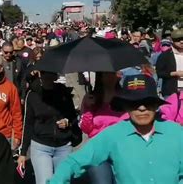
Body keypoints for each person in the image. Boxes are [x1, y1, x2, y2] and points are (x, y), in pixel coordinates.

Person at [49, 74, 183, 184]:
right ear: (125, 106)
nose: (142, 108)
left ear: (156, 105)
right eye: (134, 103)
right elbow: (74, 162)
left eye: (147, 102)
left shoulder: (176, 133)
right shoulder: (113, 135)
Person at [17, 71, 81, 184]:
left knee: (62, 181)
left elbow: (73, 117)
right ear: (40, 75)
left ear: (55, 76)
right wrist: (23, 153)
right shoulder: (32, 94)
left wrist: (68, 122)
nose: (48, 77)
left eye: (51, 74)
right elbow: (28, 123)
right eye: (44, 74)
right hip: (41, 146)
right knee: (45, 181)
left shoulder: (63, 93)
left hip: (63, 146)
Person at [79, 72, 128, 184]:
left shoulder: (125, 97)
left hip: (122, 150)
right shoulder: (92, 97)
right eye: (108, 73)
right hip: (98, 151)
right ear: (101, 76)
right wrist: (88, 108)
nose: (111, 76)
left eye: (114, 73)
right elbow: (86, 128)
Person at [156, 29, 183, 97]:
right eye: (178, 40)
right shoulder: (165, 55)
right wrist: (174, 73)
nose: (181, 41)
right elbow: (159, 72)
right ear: (172, 41)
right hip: (171, 91)